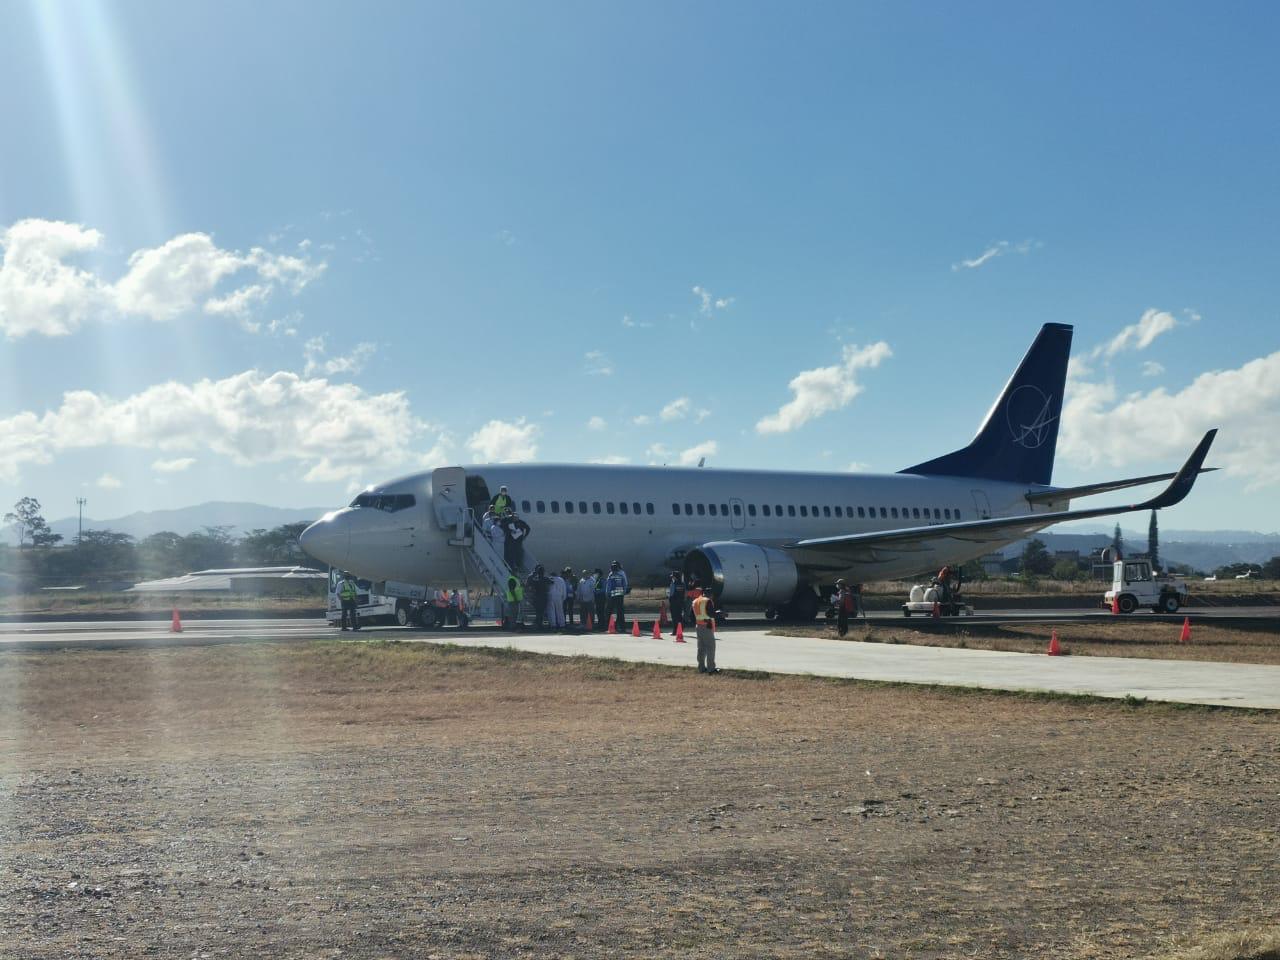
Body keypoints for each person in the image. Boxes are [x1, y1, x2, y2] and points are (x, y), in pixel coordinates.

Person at [691, 589, 718, 673]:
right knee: (710, 648)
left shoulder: (695, 601)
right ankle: (711, 669)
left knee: (701, 648)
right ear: (711, 595)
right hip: (707, 626)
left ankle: (701, 668)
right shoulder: (707, 601)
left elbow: (691, 616)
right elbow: (711, 614)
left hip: (698, 626)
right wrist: (719, 614)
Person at [604, 560, 629, 631]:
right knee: (609, 611)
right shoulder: (611, 574)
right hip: (612, 595)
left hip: (618, 595)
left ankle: (621, 627)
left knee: (619, 611)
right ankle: (608, 626)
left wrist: (624, 591)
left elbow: (625, 583)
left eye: (615, 566)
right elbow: (608, 584)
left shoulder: (621, 573)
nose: (614, 567)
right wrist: (607, 593)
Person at [527, 565, 551, 631]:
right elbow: (552, 582)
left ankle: (538, 624)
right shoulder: (545, 578)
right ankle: (539, 625)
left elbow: (530, 586)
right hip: (543, 597)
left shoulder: (535, 579)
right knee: (541, 612)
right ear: (543, 572)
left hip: (536, 597)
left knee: (538, 612)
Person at [666, 571, 687, 636]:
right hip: (680, 602)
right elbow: (684, 593)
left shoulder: (673, 584)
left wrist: (669, 598)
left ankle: (675, 631)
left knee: (674, 617)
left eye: (673, 576)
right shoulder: (683, 584)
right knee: (679, 616)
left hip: (674, 602)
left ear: (675, 577)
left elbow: (671, 594)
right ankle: (681, 628)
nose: (672, 578)